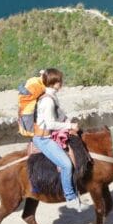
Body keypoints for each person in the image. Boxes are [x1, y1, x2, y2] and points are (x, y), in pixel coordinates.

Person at [32, 68, 85, 212]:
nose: (61, 83)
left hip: (49, 135)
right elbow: (50, 124)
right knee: (67, 165)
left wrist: (68, 122)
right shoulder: (48, 100)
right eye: (59, 80)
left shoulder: (51, 96)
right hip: (43, 139)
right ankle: (70, 198)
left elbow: (59, 115)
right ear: (54, 82)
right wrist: (69, 125)